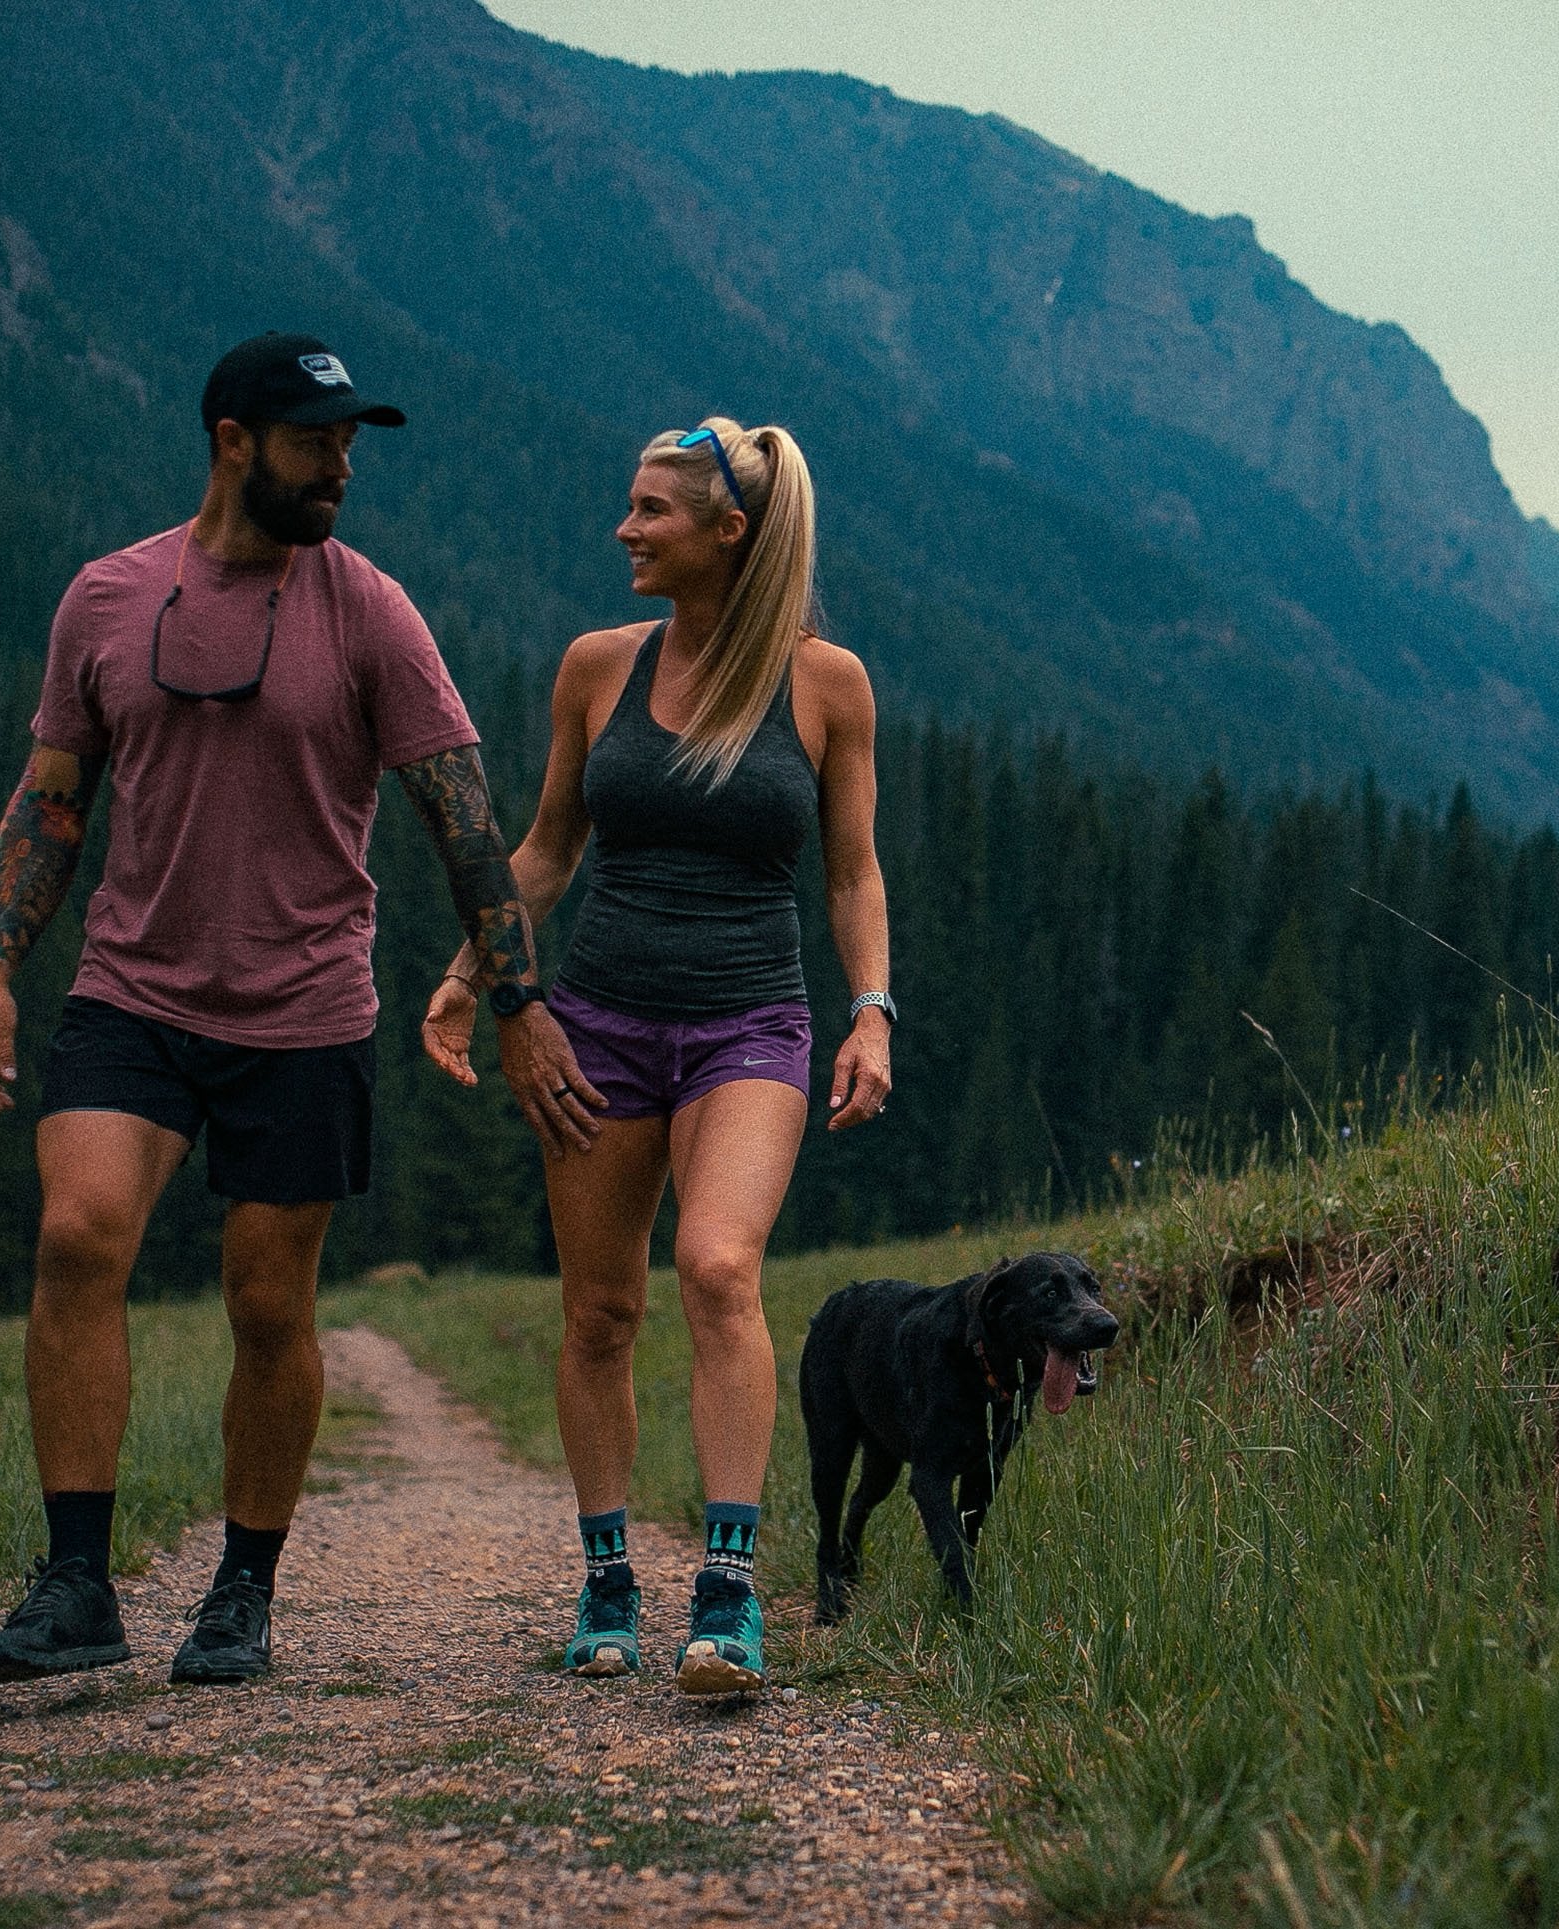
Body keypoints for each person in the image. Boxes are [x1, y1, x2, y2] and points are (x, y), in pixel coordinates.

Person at [0, 333, 574, 1686]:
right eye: (316, 440)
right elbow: (54, 797)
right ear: (234, 439)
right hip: (131, 989)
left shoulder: (370, 612)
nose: (342, 465)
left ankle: (242, 1588)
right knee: (75, 1237)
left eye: (352, 442)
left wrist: (514, 997)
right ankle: (75, 1588)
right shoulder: (108, 598)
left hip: (302, 1009)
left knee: (267, 1303)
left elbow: (462, 826)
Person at [422, 416, 893, 1696]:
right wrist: (472, 976)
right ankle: (607, 1579)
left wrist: (870, 1009)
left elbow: (851, 871)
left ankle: (729, 1596)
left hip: (752, 1023)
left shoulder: (825, 685)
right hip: (601, 1025)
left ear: (725, 535)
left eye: (649, 512)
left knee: (718, 1265)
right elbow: (543, 854)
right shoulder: (596, 667)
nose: (624, 530)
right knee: (601, 1312)